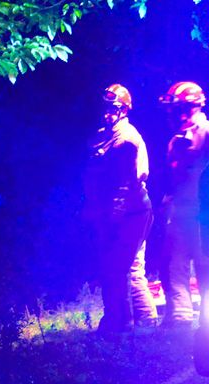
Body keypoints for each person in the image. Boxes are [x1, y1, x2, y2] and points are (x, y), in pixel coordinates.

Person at [83, 84, 157, 333]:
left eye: (112, 108)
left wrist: (112, 219)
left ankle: (123, 323)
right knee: (126, 266)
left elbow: (124, 186)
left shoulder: (125, 138)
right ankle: (139, 321)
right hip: (119, 212)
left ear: (124, 109)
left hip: (131, 213)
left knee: (118, 267)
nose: (107, 112)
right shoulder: (106, 133)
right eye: (105, 107)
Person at [160, 81, 209, 327]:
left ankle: (205, 327)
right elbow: (173, 181)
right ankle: (179, 323)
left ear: (196, 106)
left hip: (203, 216)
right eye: (174, 109)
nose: (178, 115)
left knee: (205, 266)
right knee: (174, 267)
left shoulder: (208, 133)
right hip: (180, 215)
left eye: (183, 109)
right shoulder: (175, 140)